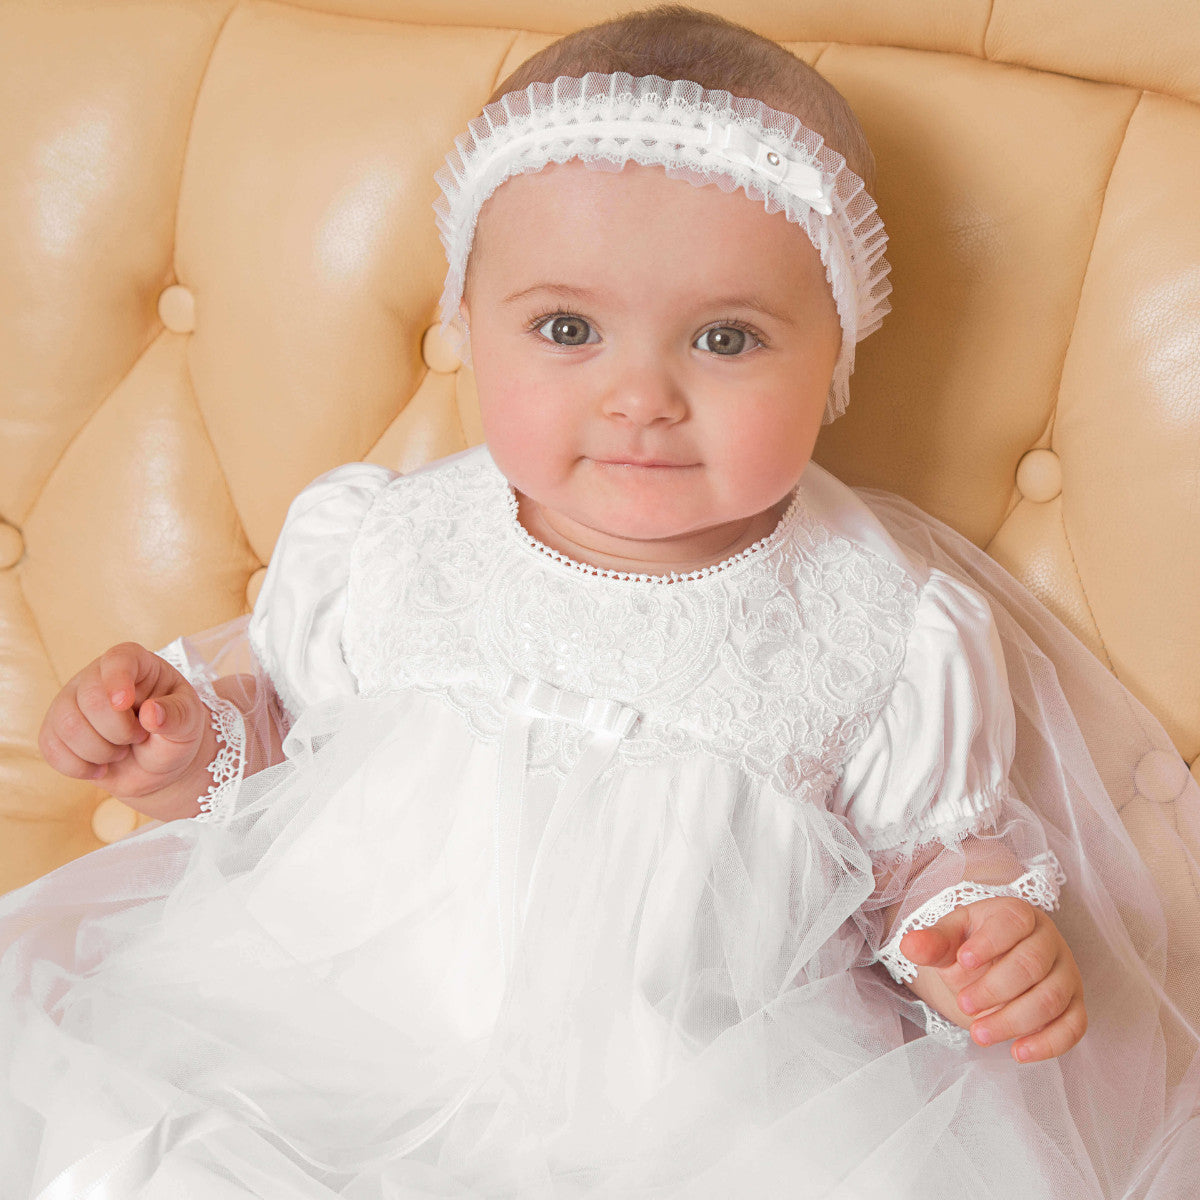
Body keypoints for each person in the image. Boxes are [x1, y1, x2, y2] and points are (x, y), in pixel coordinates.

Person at [4, 6, 1197, 1197]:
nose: (642, 396)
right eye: (567, 328)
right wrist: (178, 748)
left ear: (837, 354)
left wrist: (976, 936)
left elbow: (916, 861)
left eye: (726, 338)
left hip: (680, 1116)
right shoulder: (388, 542)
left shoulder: (881, 622)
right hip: (314, 1037)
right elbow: (282, 751)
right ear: (469, 326)